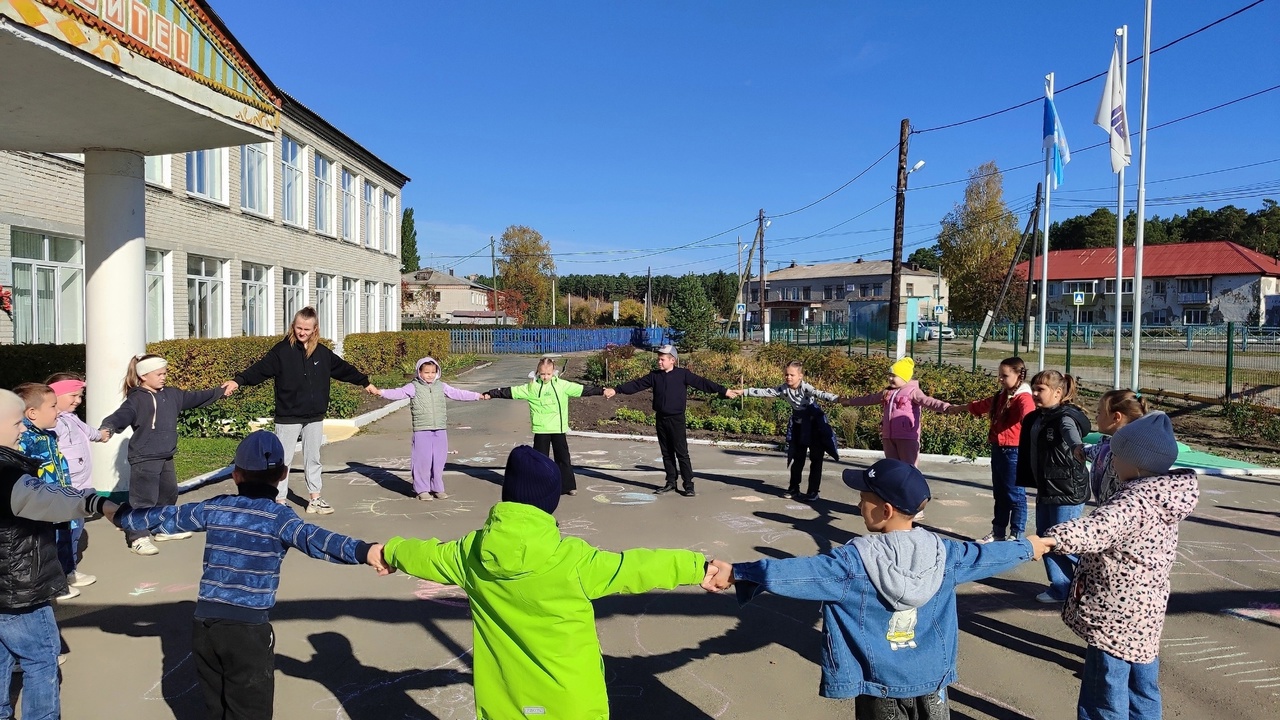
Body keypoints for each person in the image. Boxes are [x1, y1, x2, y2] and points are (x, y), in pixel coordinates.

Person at [377, 445, 713, 720]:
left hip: (506, 703)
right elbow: (639, 566)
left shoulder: (470, 553)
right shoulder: (573, 560)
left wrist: (388, 551)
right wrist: (701, 567)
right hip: (570, 704)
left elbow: (422, 555)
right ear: (548, 505)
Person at [702, 458, 1050, 720]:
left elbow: (798, 573)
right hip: (933, 681)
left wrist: (739, 573)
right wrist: (1029, 547)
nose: (857, 504)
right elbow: (987, 555)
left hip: (879, 682)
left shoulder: (852, 563)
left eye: (863, 497)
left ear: (884, 510)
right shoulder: (948, 554)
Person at [113, 431, 387, 720]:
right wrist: (365, 551)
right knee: (249, 710)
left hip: (205, 627)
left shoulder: (217, 506)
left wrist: (115, 513)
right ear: (282, 475)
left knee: (215, 706)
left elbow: (164, 518)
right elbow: (317, 540)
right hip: (247, 629)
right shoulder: (279, 517)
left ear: (236, 475)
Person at [1043, 412, 1197, 720]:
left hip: (1115, 614)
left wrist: (1049, 540)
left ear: (1137, 463)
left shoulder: (1134, 500)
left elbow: (1096, 530)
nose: (1112, 462)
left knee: (1104, 691)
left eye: (1117, 457)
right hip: (1146, 613)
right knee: (1142, 686)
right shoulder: (1164, 494)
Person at [0, 388, 118, 720]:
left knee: (2, 657)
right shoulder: (8, 475)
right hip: (18, 587)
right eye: (15, 423)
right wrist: (100, 504)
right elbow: (49, 498)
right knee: (40, 657)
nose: (22, 428)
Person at [223, 307, 378, 515]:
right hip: (288, 416)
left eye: (306, 329)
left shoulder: (322, 353)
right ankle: (279, 501)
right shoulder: (281, 351)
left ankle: (315, 499)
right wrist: (238, 380)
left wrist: (364, 382)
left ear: (315, 329)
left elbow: (343, 369)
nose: (302, 332)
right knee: (282, 460)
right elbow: (259, 369)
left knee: (313, 458)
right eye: (298, 328)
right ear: (292, 326)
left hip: (314, 416)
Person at [98, 354, 228, 556]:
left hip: (166, 455)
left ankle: (162, 528)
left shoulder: (172, 394)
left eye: (165, 373)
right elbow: (121, 416)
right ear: (143, 376)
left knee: (168, 493)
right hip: (144, 456)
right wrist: (108, 428)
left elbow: (197, 397)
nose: (163, 377)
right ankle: (138, 537)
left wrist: (220, 391)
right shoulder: (137, 399)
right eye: (159, 373)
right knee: (143, 500)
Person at [611, 345, 736, 497]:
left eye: (662, 359)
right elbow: (636, 385)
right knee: (666, 453)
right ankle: (671, 482)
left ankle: (688, 485)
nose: (659, 362)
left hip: (676, 419)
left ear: (672, 360)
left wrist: (724, 390)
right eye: (659, 359)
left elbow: (703, 383)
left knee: (681, 453)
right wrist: (616, 389)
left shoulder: (683, 375)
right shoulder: (654, 376)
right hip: (661, 419)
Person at [1015, 369, 1090, 604]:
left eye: (1041, 389)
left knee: (1066, 542)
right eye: (1034, 388)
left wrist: (1078, 447)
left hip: (1066, 490)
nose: (1035, 393)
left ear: (1057, 392)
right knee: (1046, 539)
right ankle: (1061, 588)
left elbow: (1070, 433)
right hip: (1046, 488)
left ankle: (1092, 584)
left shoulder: (1064, 417)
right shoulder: (1037, 417)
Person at [485, 357, 608, 496]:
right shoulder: (532, 387)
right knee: (540, 460)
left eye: (548, 374)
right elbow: (511, 392)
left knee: (563, 458)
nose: (545, 377)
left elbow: (582, 389)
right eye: (542, 374)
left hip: (558, 428)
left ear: (554, 372)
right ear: (538, 372)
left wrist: (601, 390)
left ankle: (567, 486)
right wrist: (491, 393)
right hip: (541, 429)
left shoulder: (562, 385)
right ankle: (540, 485)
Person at [947, 357, 1034, 543]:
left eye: (1005, 375)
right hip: (999, 449)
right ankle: (998, 532)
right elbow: (983, 404)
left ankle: (1017, 535)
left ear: (1019, 375)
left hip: (1014, 451)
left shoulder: (1023, 397)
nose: (1000, 379)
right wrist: (960, 408)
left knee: (1015, 494)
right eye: (999, 375)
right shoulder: (1003, 395)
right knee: (1000, 493)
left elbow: (1029, 415)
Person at [15, 382, 86, 599]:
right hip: (42, 501)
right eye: (53, 406)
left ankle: (65, 574)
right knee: (46, 543)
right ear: (33, 412)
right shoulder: (25, 439)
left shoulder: (49, 435)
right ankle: (51, 586)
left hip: (59, 495)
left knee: (63, 536)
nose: (58, 411)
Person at [378, 356, 485, 500]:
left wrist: (477, 396)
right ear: (419, 372)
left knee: (439, 460)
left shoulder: (441, 386)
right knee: (423, 460)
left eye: (433, 372)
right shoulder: (413, 386)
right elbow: (398, 392)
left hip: (440, 428)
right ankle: (422, 489)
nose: (430, 375)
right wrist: (381, 392)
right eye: (426, 372)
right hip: (422, 429)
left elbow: (458, 393)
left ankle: (437, 488)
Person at [739, 360, 840, 501]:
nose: (788, 377)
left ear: (800, 376)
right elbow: (766, 391)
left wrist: (839, 399)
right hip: (799, 427)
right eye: (786, 374)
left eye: (792, 375)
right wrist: (743, 392)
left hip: (815, 426)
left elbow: (820, 393)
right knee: (797, 458)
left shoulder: (806, 388)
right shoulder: (783, 389)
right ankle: (793, 489)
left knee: (816, 459)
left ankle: (813, 491)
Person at [45, 373, 106, 591]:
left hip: (81, 487)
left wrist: (102, 434)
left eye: (80, 396)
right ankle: (61, 577)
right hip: (65, 489)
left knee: (75, 530)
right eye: (73, 395)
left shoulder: (72, 418)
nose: (77, 400)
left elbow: (88, 432)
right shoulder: (53, 423)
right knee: (64, 533)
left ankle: (68, 571)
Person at [841, 357, 951, 468]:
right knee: (892, 468)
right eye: (889, 375)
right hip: (888, 437)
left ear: (905, 377)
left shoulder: (913, 392)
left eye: (894, 376)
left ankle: (910, 485)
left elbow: (929, 402)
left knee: (909, 468)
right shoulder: (887, 392)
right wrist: (850, 402)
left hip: (907, 437)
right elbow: (869, 399)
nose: (890, 378)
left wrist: (947, 408)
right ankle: (893, 485)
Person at [1081, 389, 1148, 505]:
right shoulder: (1108, 444)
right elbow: (1096, 453)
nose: (1096, 418)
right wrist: (1079, 449)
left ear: (1116, 417)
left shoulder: (1128, 453)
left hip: (1119, 515)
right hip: (1105, 512)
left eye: (1099, 413)